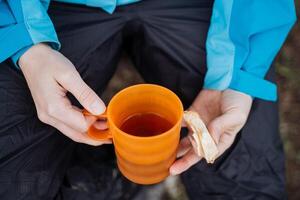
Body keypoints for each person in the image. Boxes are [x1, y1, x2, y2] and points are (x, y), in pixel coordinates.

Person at [0, 0, 296, 199]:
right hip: (51, 9)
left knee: (244, 169)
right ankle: (98, 175)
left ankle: (106, 177)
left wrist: (235, 78)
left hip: (199, 8)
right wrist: (27, 45)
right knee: (13, 174)